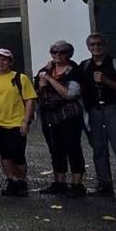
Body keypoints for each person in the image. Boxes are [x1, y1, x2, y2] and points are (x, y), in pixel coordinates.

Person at [80, 33, 116, 201]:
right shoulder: (85, 66)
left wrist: (106, 81)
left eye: (99, 44)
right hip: (94, 111)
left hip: (114, 109)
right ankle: (104, 185)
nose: (96, 47)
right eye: (92, 45)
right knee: (98, 149)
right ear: (88, 47)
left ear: (106, 45)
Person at [0, 48, 37, 198]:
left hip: (16, 122)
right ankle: (11, 181)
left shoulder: (21, 78)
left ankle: (21, 181)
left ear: (10, 62)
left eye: (4, 59)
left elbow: (30, 100)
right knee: (4, 154)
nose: (1, 62)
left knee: (18, 155)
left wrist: (26, 121)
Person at [36, 40, 87, 197]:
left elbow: (70, 94)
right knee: (55, 149)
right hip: (49, 116)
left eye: (61, 52)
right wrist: (42, 84)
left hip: (69, 116)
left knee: (73, 148)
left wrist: (51, 80)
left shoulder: (74, 71)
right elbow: (36, 93)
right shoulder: (45, 69)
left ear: (69, 54)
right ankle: (59, 182)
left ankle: (77, 184)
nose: (57, 55)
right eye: (54, 52)